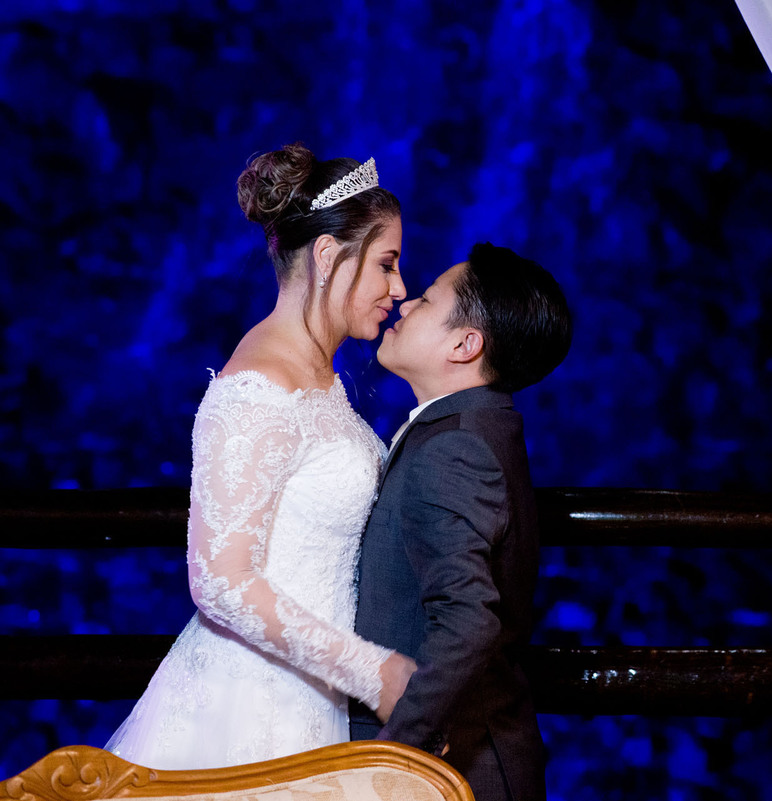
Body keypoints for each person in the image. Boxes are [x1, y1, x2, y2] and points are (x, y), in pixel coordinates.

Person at [106, 143, 417, 769]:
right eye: (386, 264)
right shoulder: (257, 387)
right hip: (251, 701)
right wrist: (373, 671)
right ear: (327, 256)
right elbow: (220, 580)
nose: (399, 287)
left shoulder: (317, 373)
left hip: (310, 693)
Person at [351, 243, 572, 801]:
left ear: (464, 345)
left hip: (459, 771)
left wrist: (395, 755)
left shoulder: (456, 448)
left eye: (426, 300)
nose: (404, 304)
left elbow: (469, 620)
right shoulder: (484, 426)